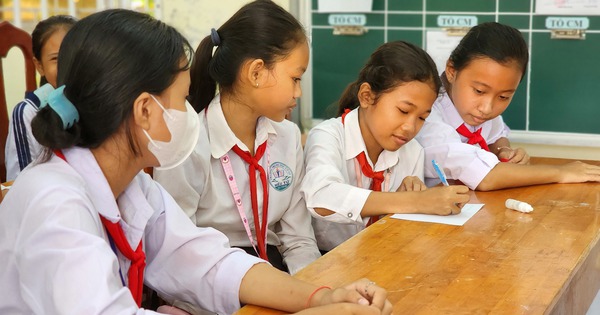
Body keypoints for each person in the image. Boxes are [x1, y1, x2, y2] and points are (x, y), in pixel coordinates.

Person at [0, 9, 393, 315]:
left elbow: (205, 262)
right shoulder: (53, 204)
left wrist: (321, 297)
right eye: (182, 100)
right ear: (144, 111)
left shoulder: (135, 187)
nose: (189, 113)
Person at [154, 0, 320, 274]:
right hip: (211, 281)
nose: (298, 93)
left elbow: (298, 238)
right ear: (255, 72)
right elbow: (177, 252)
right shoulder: (188, 145)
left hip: (274, 272)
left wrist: (308, 290)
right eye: (295, 78)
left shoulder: (288, 136)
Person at [300, 41, 470, 251]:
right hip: (326, 259)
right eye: (403, 110)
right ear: (367, 96)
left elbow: (399, 228)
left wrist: (403, 203)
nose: (410, 127)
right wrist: (413, 201)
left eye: (422, 118)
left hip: (383, 256)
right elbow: (322, 197)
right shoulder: (328, 136)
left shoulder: (412, 151)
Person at [415, 22, 600, 191]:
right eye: (479, 91)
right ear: (452, 71)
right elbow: (485, 178)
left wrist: (504, 151)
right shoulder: (427, 116)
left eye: (503, 96)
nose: (487, 108)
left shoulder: (476, 111)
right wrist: (561, 172)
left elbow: (496, 135)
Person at [5, 15, 76, 181]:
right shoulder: (28, 112)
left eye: (73, 55)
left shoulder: (97, 102)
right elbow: (22, 182)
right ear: (40, 66)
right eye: (56, 58)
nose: (66, 65)